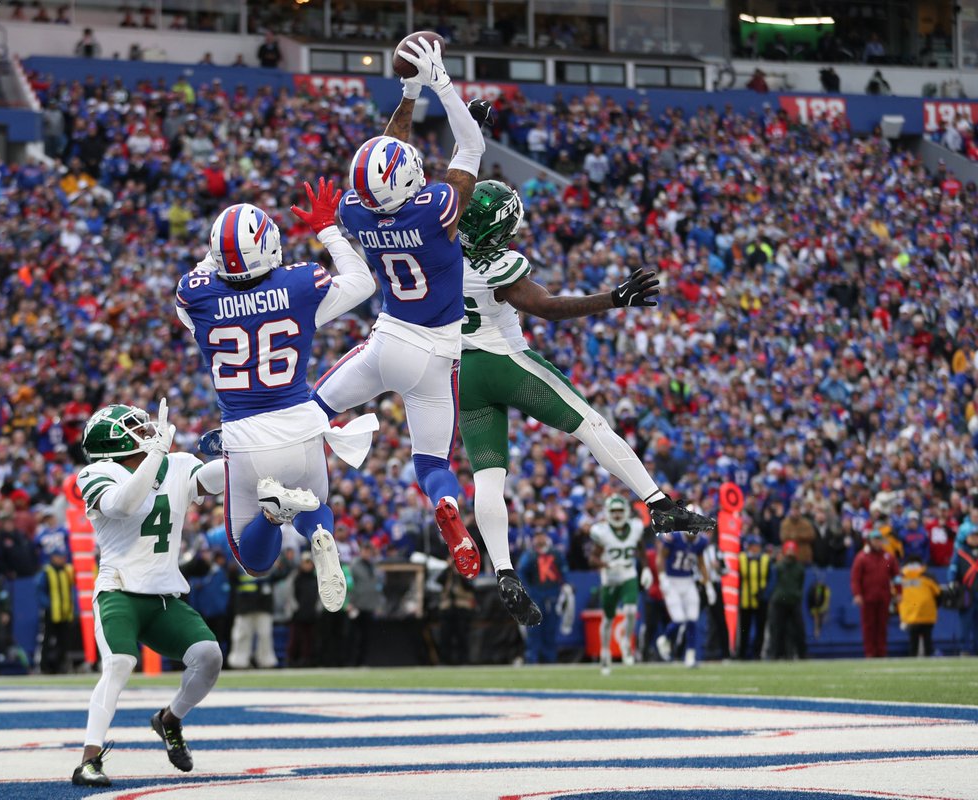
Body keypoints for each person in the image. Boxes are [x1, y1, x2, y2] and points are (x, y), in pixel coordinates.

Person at [454, 179, 713, 626]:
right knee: (591, 425)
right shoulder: (503, 265)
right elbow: (548, 307)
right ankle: (658, 504)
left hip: (464, 374)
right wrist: (615, 298)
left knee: (488, 478)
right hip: (505, 360)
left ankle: (505, 571)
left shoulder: (438, 248)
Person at [312, 36, 487, 581]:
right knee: (432, 464)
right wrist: (439, 82)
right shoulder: (436, 209)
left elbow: (389, 153)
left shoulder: (357, 215)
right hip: (436, 356)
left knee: (312, 410)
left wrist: (408, 93)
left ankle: (244, 460)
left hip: (386, 343)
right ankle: (450, 511)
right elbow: (470, 148)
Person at [175, 179, 377, 615]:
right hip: (302, 425)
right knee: (316, 507)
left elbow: (199, 279)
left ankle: (272, 516)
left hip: (246, 441)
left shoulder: (198, 298)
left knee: (254, 560)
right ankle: (319, 535)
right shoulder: (301, 284)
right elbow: (363, 284)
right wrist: (327, 229)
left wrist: (218, 253)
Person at [72, 400, 225, 787]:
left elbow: (218, 478)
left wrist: (249, 453)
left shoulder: (176, 464)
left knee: (209, 657)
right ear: (113, 441)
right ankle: (89, 758)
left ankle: (169, 719)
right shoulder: (96, 472)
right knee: (120, 662)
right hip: (120, 590)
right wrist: (156, 453)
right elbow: (123, 504)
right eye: (136, 428)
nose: (147, 432)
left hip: (162, 596)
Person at [589, 495, 645, 673]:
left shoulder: (636, 528)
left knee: (631, 611)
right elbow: (593, 558)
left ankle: (626, 642)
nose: (618, 514)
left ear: (627, 511)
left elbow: (641, 550)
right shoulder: (602, 531)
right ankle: (605, 653)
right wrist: (606, 564)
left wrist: (647, 569)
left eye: (620, 510)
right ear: (607, 512)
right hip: (610, 577)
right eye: (614, 511)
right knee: (608, 619)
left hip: (628, 572)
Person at [655, 528, 715, 668]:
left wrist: (708, 585)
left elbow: (701, 563)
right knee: (679, 619)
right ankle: (664, 638)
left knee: (693, 618)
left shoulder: (701, 542)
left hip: (688, 581)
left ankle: (690, 656)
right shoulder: (674, 538)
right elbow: (661, 557)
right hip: (672, 581)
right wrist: (662, 577)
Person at [851, 529, 899, 658]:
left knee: (882, 626)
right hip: (868, 597)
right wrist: (857, 594)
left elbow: (896, 575)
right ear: (870, 541)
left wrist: (899, 592)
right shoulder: (862, 557)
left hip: (884, 597)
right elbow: (856, 578)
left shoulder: (888, 557)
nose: (877, 542)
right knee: (869, 626)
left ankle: (881, 652)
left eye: (879, 540)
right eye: (875, 540)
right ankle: (870, 653)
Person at [518, 530, 564, 664]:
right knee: (534, 629)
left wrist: (565, 585)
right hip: (536, 595)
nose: (540, 539)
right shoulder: (530, 555)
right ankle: (532, 658)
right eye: (537, 536)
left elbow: (563, 571)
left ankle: (550, 659)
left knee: (551, 629)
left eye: (542, 536)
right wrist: (527, 591)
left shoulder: (555, 554)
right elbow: (522, 573)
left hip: (552, 594)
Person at [36, 540, 77, 674]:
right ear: (53, 557)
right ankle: (45, 667)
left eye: (63, 556)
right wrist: (47, 605)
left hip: (65, 612)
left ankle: (61, 666)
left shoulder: (68, 570)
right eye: (59, 556)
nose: (62, 559)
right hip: (52, 612)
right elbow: (40, 590)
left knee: (64, 642)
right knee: (48, 641)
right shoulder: (46, 572)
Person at [765, 540, 806, 660]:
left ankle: (799, 654)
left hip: (793, 601)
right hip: (779, 602)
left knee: (798, 630)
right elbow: (772, 584)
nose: (790, 553)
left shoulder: (799, 568)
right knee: (777, 630)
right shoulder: (778, 567)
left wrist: (797, 595)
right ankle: (774, 655)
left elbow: (800, 584)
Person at [737, 535, 773, 659]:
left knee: (760, 629)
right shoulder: (741, 558)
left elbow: (771, 579)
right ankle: (741, 654)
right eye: (753, 546)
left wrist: (765, 593)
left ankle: (757, 654)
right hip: (745, 599)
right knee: (744, 630)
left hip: (761, 600)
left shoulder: (765, 559)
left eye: (757, 546)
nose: (755, 549)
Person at [348, 538, 383, 666]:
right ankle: (352, 662)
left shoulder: (373, 567)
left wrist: (378, 605)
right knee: (354, 636)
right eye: (365, 550)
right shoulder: (354, 565)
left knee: (366, 637)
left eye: (369, 551)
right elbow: (350, 585)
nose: (367, 553)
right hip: (357, 606)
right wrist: (350, 603)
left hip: (370, 605)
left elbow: (377, 587)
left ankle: (363, 661)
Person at [898, 555, 940, 657]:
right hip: (927, 612)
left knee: (913, 642)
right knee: (927, 641)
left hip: (910, 614)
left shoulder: (901, 577)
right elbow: (938, 593)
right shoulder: (928, 575)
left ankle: (913, 663)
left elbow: (894, 593)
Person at [946, 524, 978, 655]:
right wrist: (952, 581)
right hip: (967, 592)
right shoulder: (960, 553)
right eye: (973, 536)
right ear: (967, 538)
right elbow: (953, 569)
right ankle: (964, 648)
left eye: (977, 536)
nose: (975, 539)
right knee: (965, 622)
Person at [286, 551, 319, 667]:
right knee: (294, 638)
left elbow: (320, 594)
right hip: (297, 613)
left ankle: (306, 660)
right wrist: (294, 607)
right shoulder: (296, 576)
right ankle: (290, 660)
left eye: (309, 563)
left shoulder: (316, 578)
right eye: (305, 562)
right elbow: (289, 592)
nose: (307, 565)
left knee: (308, 639)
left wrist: (317, 607)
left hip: (311, 613)